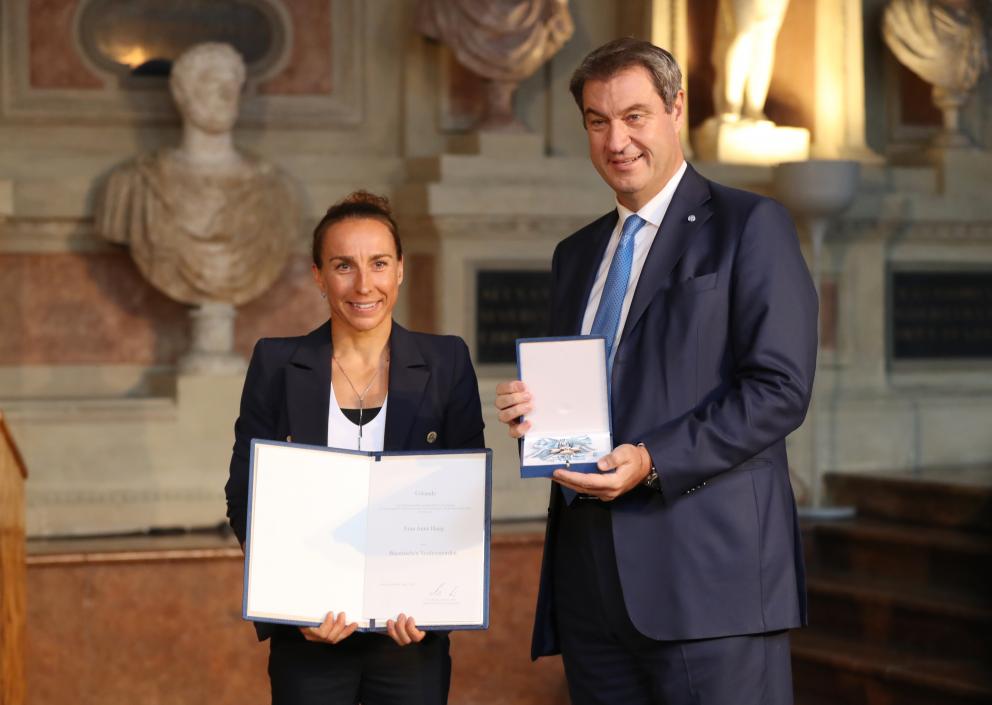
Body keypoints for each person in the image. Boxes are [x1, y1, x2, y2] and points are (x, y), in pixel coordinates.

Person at [494, 38, 817, 705]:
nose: (616, 141)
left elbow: (779, 389)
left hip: (710, 587)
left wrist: (652, 459)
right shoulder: (575, 254)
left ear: (675, 109)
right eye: (597, 121)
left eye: (634, 116)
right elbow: (593, 393)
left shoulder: (750, 224)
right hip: (591, 590)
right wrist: (536, 415)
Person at [225, 191, 485, 705]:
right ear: (319, 276)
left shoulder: (447, 362)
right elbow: (244, 496)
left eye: (379, 263)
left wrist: (435, 605)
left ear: (400, 269)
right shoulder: (277, 365)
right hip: (309, 636)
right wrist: (292, 606)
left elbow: (466, 501)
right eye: (344, 265)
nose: (364, 284)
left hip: (409, 639)